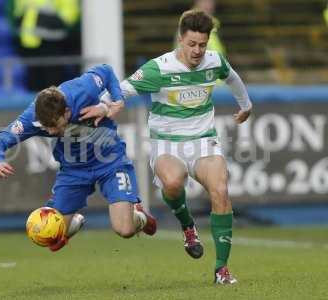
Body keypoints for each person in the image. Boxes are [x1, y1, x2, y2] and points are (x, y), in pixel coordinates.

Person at [81, 10, 252, 284]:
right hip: (167, 143)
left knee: (220, 191)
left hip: (203, 139)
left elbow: (231, 77)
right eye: (191, 44)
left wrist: (246, 106)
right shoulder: (159, 69)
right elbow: (122, 89)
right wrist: (103, 106)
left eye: (202, 45)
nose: (197, 51)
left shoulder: (213, 61)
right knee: (172, 185)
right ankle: (188, 226)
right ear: (180, 39)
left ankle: (221, 269)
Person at [0, 64, 157, 251]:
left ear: (67, 111)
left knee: (124, 229)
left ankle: (138, 216)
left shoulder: (82, 90)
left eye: (54, 125)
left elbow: (106, 71)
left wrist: (117, 101)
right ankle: (73, 221)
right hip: (74, 171)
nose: (50, 131)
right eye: (46, 127)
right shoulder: (32, 119)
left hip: (110, 162)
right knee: (51, 239)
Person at [7, 0, 81, 91]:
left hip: (53, 42)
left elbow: (70, 11)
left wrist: (57, 22)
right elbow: (17, 11)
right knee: (34, 83)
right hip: (28, 43)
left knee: (53, 83)